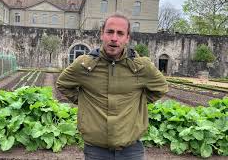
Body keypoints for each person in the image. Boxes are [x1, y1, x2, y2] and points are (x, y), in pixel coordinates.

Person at [56, 13, 168, 160]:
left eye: (120, 33)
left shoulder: (142, 67)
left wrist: (136, 103)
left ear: (127, 38)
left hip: (131, 150)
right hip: (95, 150)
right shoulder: (84, 64)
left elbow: (161, 88)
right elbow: (63, 84)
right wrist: (84, 101)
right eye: (110, 32)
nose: (114, 38)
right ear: (102, 34)